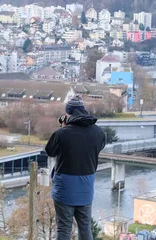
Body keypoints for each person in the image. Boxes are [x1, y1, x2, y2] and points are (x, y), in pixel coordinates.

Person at [45, 95, 106, 240]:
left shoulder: (62, 133)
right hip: (86, 188)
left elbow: (50, 151)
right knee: (85, 228)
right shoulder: (98, 133)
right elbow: (99, 147)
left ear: (67, 114)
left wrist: (63, 127)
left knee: (64, 228)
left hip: (65, 188)